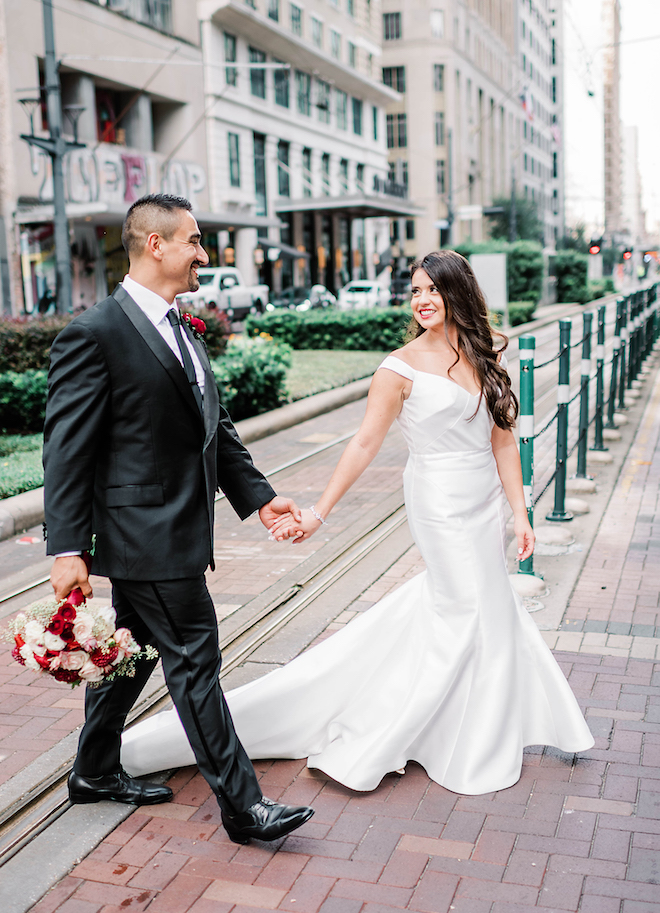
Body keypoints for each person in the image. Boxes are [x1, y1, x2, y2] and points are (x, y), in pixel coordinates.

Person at [120, 250, 594, 796]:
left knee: (482, 603)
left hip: (483, 500)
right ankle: (422, 731)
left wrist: (520, 510)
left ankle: (469, 722)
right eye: (415, 291)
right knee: (464, 605)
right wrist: (319, 511)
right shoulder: (397, 368)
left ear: (458, 293)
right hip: (437, 500)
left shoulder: (483, 357)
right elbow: (365, 443)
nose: (422, 301)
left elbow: (503, 439)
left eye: (433, 290)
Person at [43, 193, 313, 844]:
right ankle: (245, 807)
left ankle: (93, 769)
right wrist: (66, 547)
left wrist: (259, 496)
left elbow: (211, 428)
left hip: (169, 531)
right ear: (155, 245)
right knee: (195, 656)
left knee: (131, 653)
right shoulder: (96, 333)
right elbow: (67, 447)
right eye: (194, 240)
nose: (204, 253)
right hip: (146, 535)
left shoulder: (180, 325)